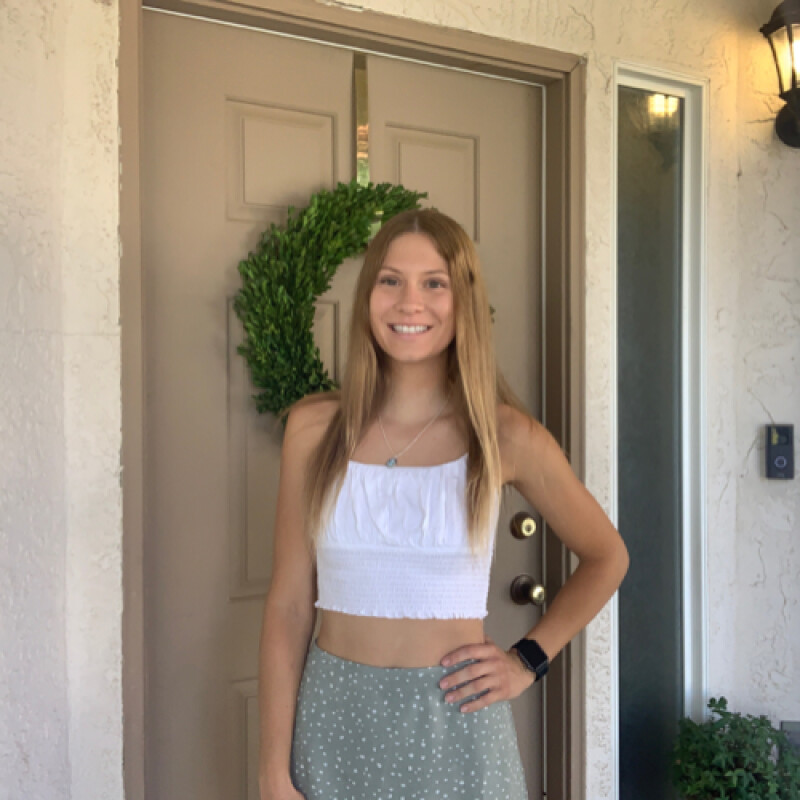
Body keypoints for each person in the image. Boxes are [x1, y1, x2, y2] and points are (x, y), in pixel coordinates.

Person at [257, 208, 629, 800]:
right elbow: (288, 607)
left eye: (434, 282)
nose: (410, 302)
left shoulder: (506, 436)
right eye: (390, 280)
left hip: (456, 727)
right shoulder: (312, 429)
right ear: (368, 295)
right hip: (333, 723)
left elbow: (607, 556)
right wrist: (272, 771)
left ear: (463, 302)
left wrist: (527, 660)